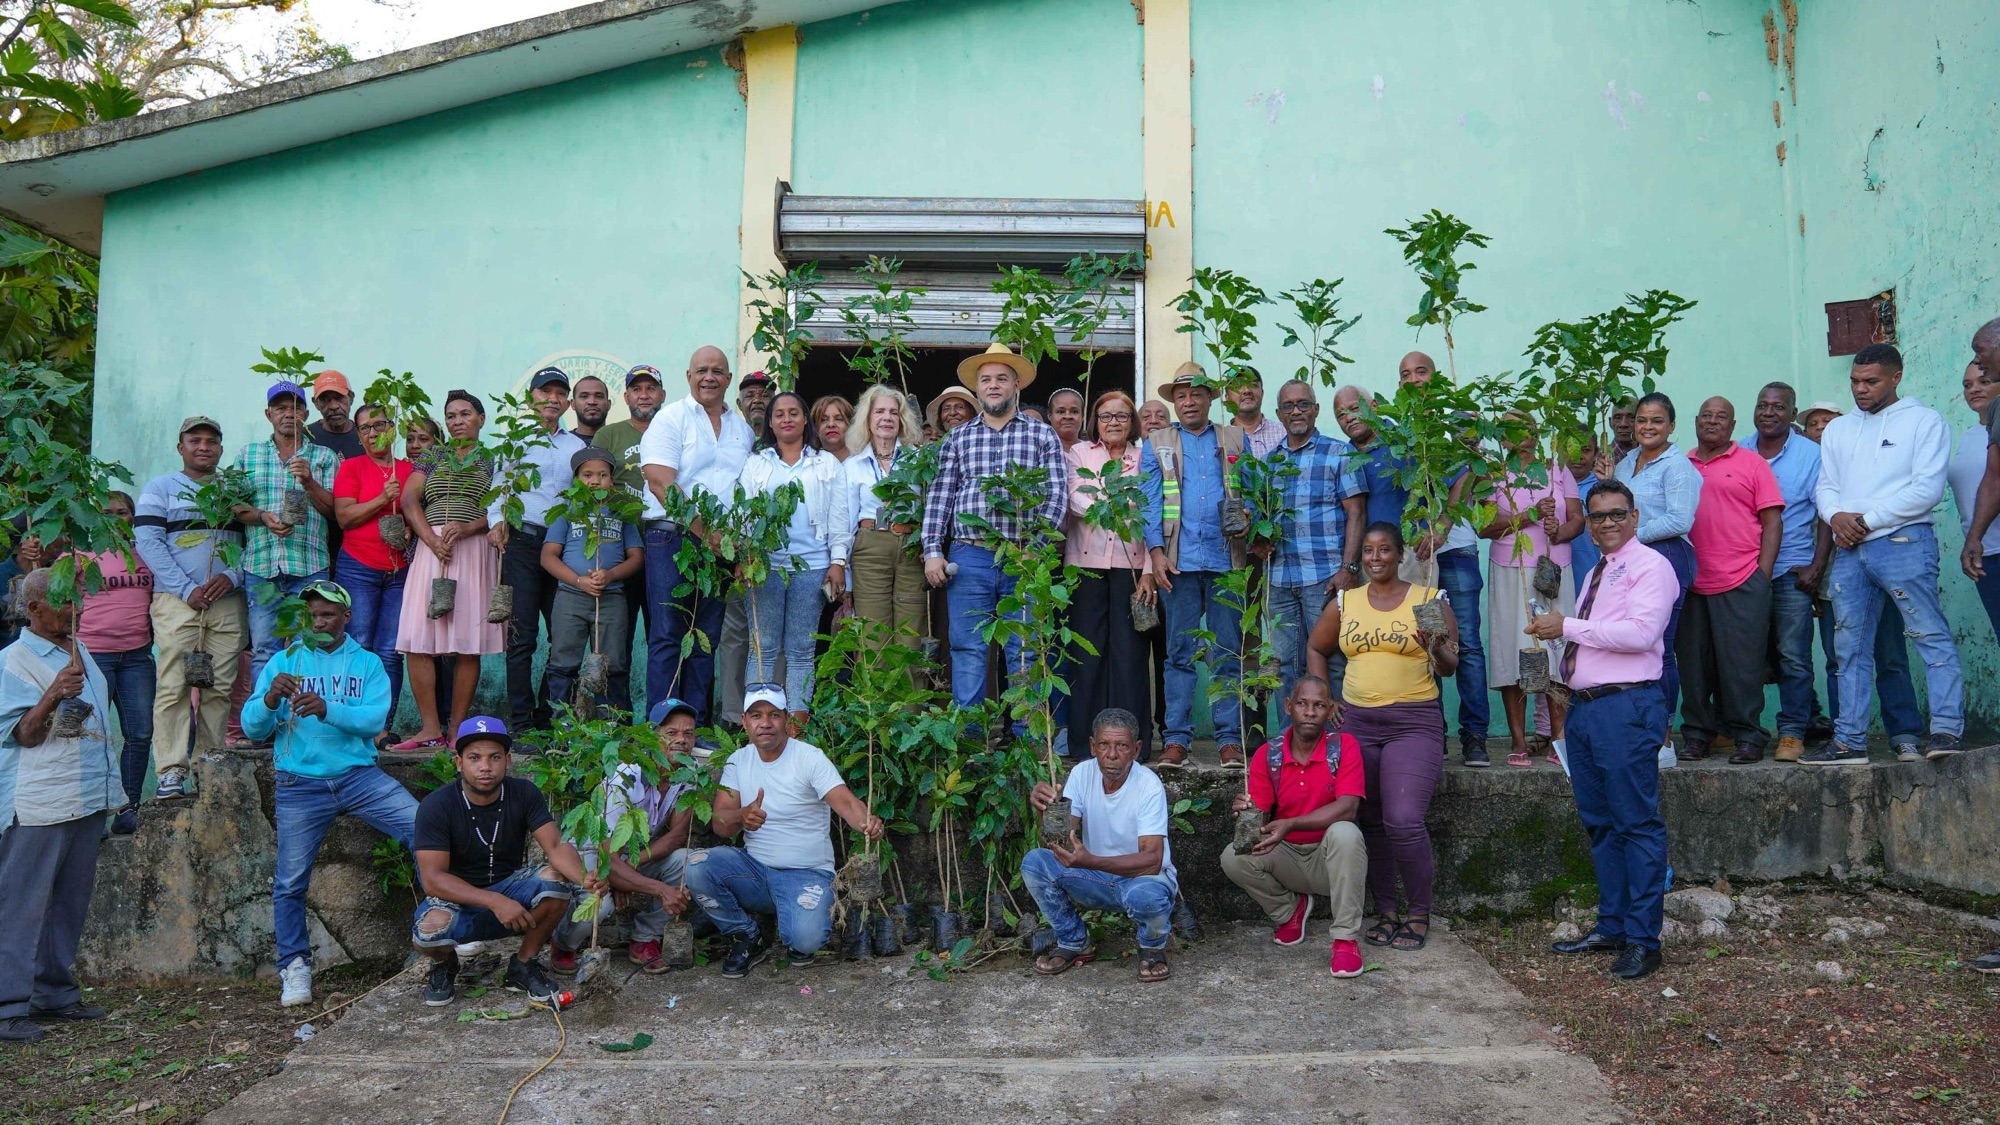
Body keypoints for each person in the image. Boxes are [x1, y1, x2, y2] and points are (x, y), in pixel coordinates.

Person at [239, 579, 414, 1008]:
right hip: (299, 783)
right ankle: (294, 966)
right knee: (289, 881)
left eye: (327, 615)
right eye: (311, 615)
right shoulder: (284, 660)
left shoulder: (369, 664)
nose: (318, 623)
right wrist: (267, 701)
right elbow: (252, 729)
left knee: (423, 828)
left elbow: (374, 721)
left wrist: (327, 709)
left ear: (346, 618)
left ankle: (438, 930)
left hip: (358, 776)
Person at [1530, 482, 1675, 981]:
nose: (1606, 523)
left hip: (1627, 706)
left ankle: (1643, 939)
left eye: (1616, 515)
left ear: (1634, 517)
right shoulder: (1596, 571)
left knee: (1635, 822)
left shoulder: (1651, 568)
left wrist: (1565, 627)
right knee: (1600, 822)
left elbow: (1641, 636)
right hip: (1587, 710)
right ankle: (1612, 925)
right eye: (1596, 516)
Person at [1304, 522, 1457, 952]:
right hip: (1358, 726)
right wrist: (1326, 697)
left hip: (1414, 722)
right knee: (1368, 820)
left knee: (1404, 820)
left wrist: (1435, 645)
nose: (1375, 558)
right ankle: (1387, 911)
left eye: (1385, 550)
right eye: (1368, 550)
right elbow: (1317, 648)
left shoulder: (1428, 599)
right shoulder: (1345, 601)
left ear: (1399, 554)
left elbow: (1449, 666)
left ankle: (1418, 913)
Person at [1808, 343, 1962, 764]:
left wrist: (1864, 522)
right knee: (1849, 648)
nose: (1860, 389)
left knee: (1928, 634)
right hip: (1851, 551)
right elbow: (1826, 485)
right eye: (1855, 381)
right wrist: (1837, 516)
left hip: (1904, 544)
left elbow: (1927, 489)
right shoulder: (1839, 430)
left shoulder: (1924, 421)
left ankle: (1946, 731)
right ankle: (1849, 742)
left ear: (1896, 377)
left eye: (1871, 381)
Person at [688, 686, 885, 976]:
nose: (765, 723)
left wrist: (868, 822)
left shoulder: (809, 757)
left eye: (773, 715)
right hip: (753, 870)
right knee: (695, 866)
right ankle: (746, 935)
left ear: (787, 720)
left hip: (807, 873)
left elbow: (846, 802)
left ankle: (793, 927)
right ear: (744, 722)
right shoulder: (738, 760)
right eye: (756, 715)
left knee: (805, 941)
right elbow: (719, 823)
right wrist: (742, 817)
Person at [0, 569, 118, 1042]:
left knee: (68, 902)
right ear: (33, 609)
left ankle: (53, 993)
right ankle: (8, 1005)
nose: (79, 609)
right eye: (66, 602)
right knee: (20, 904)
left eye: (79, 599)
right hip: (38, 803)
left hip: (84, 797)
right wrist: (52, 694)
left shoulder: (79, 649)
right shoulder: (14, 661)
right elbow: (24, 735)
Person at [922, 342, 1067, 714]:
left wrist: (1035, 546)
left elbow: (1055, 494)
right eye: (985, 379)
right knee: (967, 646)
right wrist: (933, 551)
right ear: (977, 388)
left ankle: (1025, 742)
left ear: (1016, 384)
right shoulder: (958, 437)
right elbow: (941, 497)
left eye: (1002, 378)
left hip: (1023, 555)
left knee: (1025, 647)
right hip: (969, 556)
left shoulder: (1042, 435)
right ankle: (970, 741)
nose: (993, 385)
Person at [411, 717, 596, 1005]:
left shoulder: (523, 793)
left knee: (557, 880)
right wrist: (494, 902)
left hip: (512, 890)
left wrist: (585, 878)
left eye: (494, 757)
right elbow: (434, 879)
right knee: (427, 934)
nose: (485, 766)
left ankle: (523, 964)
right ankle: (445, 964)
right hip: (457, 899)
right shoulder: (437, 805)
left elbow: (555, 845)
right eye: (475, 757)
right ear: (459, 763)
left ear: (507, 761)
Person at [1220, 675, 1367, 977]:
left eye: (1319, 705)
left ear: (1329, 710)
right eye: (1302, 703)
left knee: (1346, 833)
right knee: (1233, 856)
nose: (1310, 712)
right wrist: (1247, 814)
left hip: (1331, 862)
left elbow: (1348, 807)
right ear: (1288, 707)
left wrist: (1290, 824)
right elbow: (1260, 818)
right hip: (1285, 857)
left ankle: (1345, 940)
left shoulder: (1344, 747)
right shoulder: (1268, 754)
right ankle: (1290, 911)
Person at [1141, 363, 1250, 768]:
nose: (1189, 401)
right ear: (1175, 401)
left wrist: (1250, 519)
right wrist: (1154, 553)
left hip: (1225, 562)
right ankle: (1177, 741)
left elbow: (1251, 491)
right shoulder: (1158, 442)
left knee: (1226, 653)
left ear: (1210, 399)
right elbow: (1150, 502)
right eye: (1182, 395)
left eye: (1197, 394)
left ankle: (1228, 741)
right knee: (1179, 655)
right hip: (1178, 564)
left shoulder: (1234, 438)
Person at [1799, 401, 1920, 757]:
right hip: (1828, 584)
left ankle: (1904, 734)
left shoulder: (1871, 464)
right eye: (1813, 423)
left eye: (1828, 422)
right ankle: (1845, 738)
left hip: (1881, 573)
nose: (1821, 428)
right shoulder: (1812, 471)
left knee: (1890, 655)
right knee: (1840, 660)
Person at [1023, 707, 1178, 984]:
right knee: (1035, 862)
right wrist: (1045, 810)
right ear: (1093, 746)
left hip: (1142, 879)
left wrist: (1090, 861)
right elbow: (1058, 840)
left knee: (1149, 897)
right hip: (1094, 877)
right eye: (1104, 744)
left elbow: (1152, 860)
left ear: (1136, 749)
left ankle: (1151, 946)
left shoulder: (1148, 785)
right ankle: (1074, 941)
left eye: (1122, 746)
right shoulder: (1082, 773)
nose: (1112, 754)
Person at [639, 346, 755, 719]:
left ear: (729, 380)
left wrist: (737, 546)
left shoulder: (742, 430)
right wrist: (708, 535)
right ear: (688, 376)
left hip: (722, 547)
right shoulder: (670, 418)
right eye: (702, 370)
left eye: (718, 371)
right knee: (670, 633)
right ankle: (662, 728)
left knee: (706, 637)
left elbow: (746, 492)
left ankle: (696, 728)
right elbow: (660, 482)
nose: (709, 377)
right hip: (672, 537)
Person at [134, 416, 246, 801]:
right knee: (173, 685)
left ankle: (210, 766)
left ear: (220, 449)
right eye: (194, 440)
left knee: (220, 688)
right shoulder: (160, 489)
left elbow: (255, 544)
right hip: (177, 603)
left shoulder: (234, 492)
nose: (203, 447)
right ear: (180, 447)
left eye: (211, 441)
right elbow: (149, 542)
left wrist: (232, 577)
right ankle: (170, 771)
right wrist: (186, 588)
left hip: (227, 603)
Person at [551, 697, 697, 974]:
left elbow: (677, 837)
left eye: (688, 734)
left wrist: (628, 873)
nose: (681, 740)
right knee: (600, 904)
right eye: (671, 733)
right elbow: (607, 854)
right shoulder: (624, 776)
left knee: (690, 861)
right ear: (651, 738)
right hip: (590, 856)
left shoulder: (687, 775)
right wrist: (656, 888)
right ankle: (564, 943)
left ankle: (644, 938)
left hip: (629, 856)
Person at [391, 391, 502, 750]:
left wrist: (468, 528)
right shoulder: (435, 456)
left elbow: (503, 508)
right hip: (431, 547)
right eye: (451, 415)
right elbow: (409, 500)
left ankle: (456, 731)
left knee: (467, 642)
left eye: (465, 414)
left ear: (481, 419)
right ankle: (428, 728)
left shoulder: (494, 458)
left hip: (472, 548)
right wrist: (429, 538)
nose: (457, 421)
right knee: (419, 638)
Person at [1677, 397, 1783, 763]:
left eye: (1720, 417)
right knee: (1693, 667)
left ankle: (1749, 736)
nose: (1712, 421)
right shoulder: (1680, 465)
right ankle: (1697, 735)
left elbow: (1772, 521)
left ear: (1733, 425)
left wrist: (1762, 576)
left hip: (1741, 580)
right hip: (1689, 583)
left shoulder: (1752, 464)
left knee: (1742, 667)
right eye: (1705, 415)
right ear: (1695, 421)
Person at [738, 391, 851, 725]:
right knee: (764, 648)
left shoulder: (826, 463)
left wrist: (838, 562)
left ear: (805, 420)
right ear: (770, 423)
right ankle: (759, 724)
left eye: (794, 413)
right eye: (779, 414)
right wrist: (746, 556)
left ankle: (798, 728)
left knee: (802, 651)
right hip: (765, 568)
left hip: (812, 566)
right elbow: (744, 514)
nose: (786, 419)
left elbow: (839, 518)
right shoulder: (756, 463)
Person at [489, 367, 586, 731]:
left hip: (562, 547)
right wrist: (496, 522)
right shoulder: (514, 440)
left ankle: (549, 717)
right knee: (521, 636)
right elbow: (500, 487)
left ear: (567, 402)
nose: (553, 399)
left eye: (560, 393)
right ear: (532, 397)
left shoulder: (576, 447)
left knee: (562, 635)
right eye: (546, 392)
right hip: (522, 542)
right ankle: (521, 720)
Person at [235, 381, 342, 698]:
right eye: (281, 408)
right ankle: (265, 723)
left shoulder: (322, 457)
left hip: (309, 565)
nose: (288, 414)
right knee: (265, 649)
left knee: (305, 647)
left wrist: (308, 481)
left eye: (295, 407)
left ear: (306, 413)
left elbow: (334, 512)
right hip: (261, 565)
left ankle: (301, 718)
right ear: (269, 414)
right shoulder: (248, 455)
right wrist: (263, 517)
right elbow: (234, 506)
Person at [1263, 380, 1365, 710]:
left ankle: (1335, 746)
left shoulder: (1340, 452)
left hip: (1325, 578)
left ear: (1316, 409)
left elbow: (1357, 512)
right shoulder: (1270, 462)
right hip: (1279, 580)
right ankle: (1290, 747)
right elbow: (1263, 518)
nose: (1296, 411)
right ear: (1279, 414)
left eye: (1303, 404)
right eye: (1289, 406)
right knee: (1283, 666)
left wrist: (1349, 568)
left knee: (1332, 662)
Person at [1743, 383, 1832, 761]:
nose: (1768, 412)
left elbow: (1827, 511)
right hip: (1744, 571)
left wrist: (1818, 565)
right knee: (1745, 656)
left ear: (1793, 414)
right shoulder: (1740, 451)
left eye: (1778, 407)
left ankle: (1793, 731)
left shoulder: (1811, 455)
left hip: (1792, 571)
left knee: (1794, 655)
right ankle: (1742, 729)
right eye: (1762, 405)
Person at [1483, 426, 1582, 766]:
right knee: (1511, 651)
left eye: (1525, 427)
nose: (1517, 435)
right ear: (1502, 437)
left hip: (1553, 571)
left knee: (1558, 649)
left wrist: (1560, 529)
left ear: (1537, 433)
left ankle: (1559, 738)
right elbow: (1485, 527)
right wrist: (1530, 516)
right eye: (1508, 429)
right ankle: (1518, 740)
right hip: (1509, 568)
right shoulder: (1493, 473)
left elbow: (1578, 521)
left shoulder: (1556, 468)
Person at [1065, 390, 1153, 760]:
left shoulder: (1144, 456)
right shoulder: (1080, 453)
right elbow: (1075, 500)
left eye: (1121, 416)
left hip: (1132, 566)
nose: (1113, 422)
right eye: (1105, 416)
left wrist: (1149, 570)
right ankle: (1084, 743)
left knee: (1129, 655)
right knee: (1086, 654)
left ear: (1131, 422)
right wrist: (1118, 502)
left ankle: (1134, 744)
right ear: (1095, 422)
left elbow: (1151, 510)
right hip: (1085, 568)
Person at [1608, 392, 1701, 736]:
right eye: (1642, 420)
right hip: (1630, 561)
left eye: (1657, 420)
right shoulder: (1625, 463)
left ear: (1671, 426)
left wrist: (1631, 536)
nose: (1648, 427)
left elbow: (1680, 520)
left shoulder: (1678, 467)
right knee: (1632, 645)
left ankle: (1662, 737)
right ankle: (1637, 728)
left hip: (1667, 558)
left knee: (1659, 648)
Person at [540, 448, 643, 711]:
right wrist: (578, 581)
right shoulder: (566, 512)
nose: (594, 481)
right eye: (587, 475)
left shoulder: (621, 514)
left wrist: (610, 575)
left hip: (611, 598)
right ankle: (563, 725)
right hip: (570, 597)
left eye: (602, 475)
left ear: (612, 480)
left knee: (613, 663)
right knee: (563, 660)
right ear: (576, 479)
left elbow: (636, 557)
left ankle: (610, 726)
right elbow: (548, 557)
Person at [332, 402, 414, 731]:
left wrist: (408, 528)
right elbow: (344, 517)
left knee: (391, 651)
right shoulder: (351, 468)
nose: (374, 433)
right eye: (366, 428)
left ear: (393, 428)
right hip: (358, 566)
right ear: (359, 436)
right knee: (361, 645)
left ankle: (382, 727)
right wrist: (382, 499)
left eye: (380, 425)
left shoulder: (409, 470)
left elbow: (418, 516)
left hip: (400, 570)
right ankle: (356, 724)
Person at [78, 494, 153, 835]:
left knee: (139, 734)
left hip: (138, 656)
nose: (115, 518)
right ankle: (91, 814)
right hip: (94, 656)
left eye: (122, 512)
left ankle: (128, 808)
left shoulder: (147, 553)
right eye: (106, 513)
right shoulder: (79, 556)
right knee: (92, 736)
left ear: (133, 517)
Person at [594, 364, 668, 703]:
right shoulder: (609, 435)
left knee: (663, 634)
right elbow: (593, 483)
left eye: (650, 388)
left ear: (662, 395)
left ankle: (663, 716)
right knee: (616, 638)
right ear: (625, 397)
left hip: (665, 545)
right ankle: (616, 718)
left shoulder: (673, 431)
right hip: (620, 550)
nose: (644, 394)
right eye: (637, 389)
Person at [844, 384, 927, 651]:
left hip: (910, 546)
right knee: (873, 633)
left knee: (911, 633)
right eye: (879, 411)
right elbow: (845, 522)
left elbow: (928, 507)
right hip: (869, 546)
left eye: (894, 412)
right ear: (867, 419)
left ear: (902, 420)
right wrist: (844, 573)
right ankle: (875, 694)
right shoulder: (852, 465)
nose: (887, 418)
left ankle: (909, 693)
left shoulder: (918, 460)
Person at [1949, 361, 2000, 644]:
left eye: (1984, 381)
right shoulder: (1968, 438)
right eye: (1967, 385)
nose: (1974, 389)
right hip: (1985, 556)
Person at [1334, 385, 1410, 530]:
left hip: (1411, 547)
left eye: (1355, 408)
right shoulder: (1343, 458)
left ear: (1374, 406)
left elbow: (1459, 477)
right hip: (1366, 551)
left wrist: (1440, 527)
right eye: (1341, 415)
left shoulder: (1404, 440)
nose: (1349, 418)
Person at [1226, 367, 1287, 458]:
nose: (1247, 391)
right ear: (1227, 398)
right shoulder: (1221, 438)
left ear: (1262, 393)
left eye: (1253, 385)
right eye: (1238, 386)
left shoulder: (1284, 433)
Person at [308, 370, 366, 461]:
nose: (334, 406)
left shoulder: (366, 435)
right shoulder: (305, 437)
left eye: (339, 398)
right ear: (316, 403)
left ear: (351, 398)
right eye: (325, 399)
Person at [568, 375, 612, 442]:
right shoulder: (560, 444)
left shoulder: (622, 442)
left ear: (608, 404)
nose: (592, 402)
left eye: (599, 396)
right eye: (584, 396)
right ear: (573, 404)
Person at [810, 395, 854, 462]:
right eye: (824, 420)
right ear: (815, 429)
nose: (831, 424)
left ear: (850, 425)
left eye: (838, 419)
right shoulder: (808, 462)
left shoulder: (863, 461)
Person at [736, 370, 775, 437]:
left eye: (764, 396)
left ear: (775, 404)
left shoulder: (783, 440)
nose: (757, 400)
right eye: (750, 396)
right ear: (740, 404)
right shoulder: (730, 440)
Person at [1608, 397, 1638, 463]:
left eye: (1632, 418)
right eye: (1618, 418)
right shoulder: (1600, 458)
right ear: (1610, 423)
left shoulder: (1653, 456)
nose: (1623, 424)